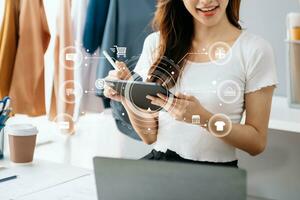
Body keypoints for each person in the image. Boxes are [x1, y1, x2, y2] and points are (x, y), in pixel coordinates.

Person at [104, 0, 278, 168]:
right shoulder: (157, 43)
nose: (206, 1)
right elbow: (149, 137)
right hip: (159, 167)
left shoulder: (254, 50)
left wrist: (203, 118)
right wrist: (128, 94)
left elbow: (256, 143)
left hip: (215, 176)